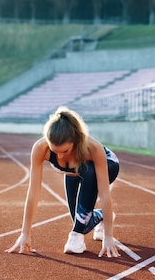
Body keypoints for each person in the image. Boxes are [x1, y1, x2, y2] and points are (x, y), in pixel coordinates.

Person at [6, 106, 121, 258]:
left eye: (65, 151)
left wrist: (108, 236)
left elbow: (105, 194)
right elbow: (33, 191)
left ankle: (76, 236)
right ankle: (101, 217)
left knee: (89, 173)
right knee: (82, 221)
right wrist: (25, 233)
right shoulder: (41, 148)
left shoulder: (92, 148)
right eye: (55, 152)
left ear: (76, 141)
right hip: (72, 173)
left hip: (107, 166)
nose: (59, 157)